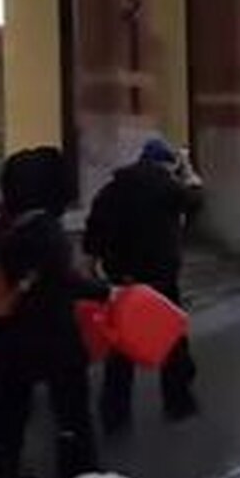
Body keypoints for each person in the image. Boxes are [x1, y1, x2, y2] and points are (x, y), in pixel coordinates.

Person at [0, 147, 103, 478]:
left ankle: (0, 475)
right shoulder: (46, 230)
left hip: (9, 332)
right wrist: (103, 292)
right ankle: (79, 475)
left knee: (10, 408)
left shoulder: (4, 226)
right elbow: (63, 280)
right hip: (52, 333)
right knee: (71, 409)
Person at [85, 138, 202, 435]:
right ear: (164, 163)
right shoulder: (166, 186)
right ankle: (178, 402)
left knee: (121, 346)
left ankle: (115, 413)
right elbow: (196, 200)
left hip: (122, 276)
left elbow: (93, 230)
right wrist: (187, 169)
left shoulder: (113, 188)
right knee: (171, 338)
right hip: (159, 276)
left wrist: (97, 262)